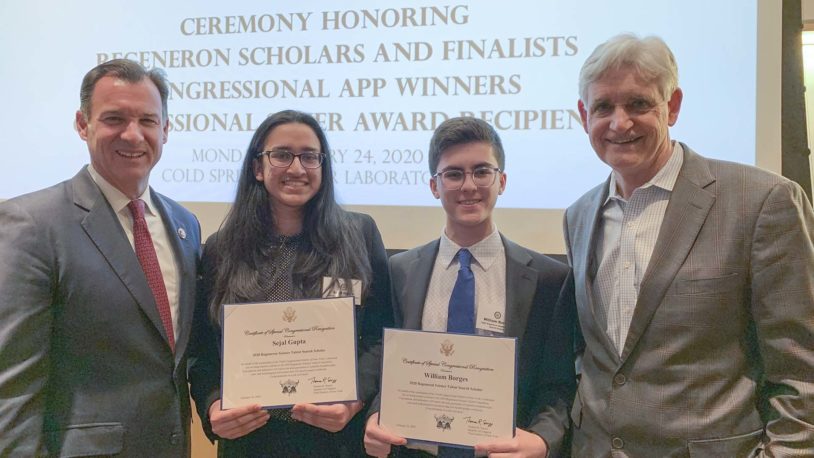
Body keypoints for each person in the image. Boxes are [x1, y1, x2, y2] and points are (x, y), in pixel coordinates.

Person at [565, 33, 814, 456]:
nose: (619, 123)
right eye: (604, 106)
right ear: (584, 114)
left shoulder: (762, 201)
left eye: (639, 104)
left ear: (673, 106)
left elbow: (802, 370)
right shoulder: (580, 215)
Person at [0, 59, 201, 456]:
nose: (133, 134)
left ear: (166, 129)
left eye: (147, 120)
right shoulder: (32, 224)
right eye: (114, 118)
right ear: (82, 124)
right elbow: (12, 389)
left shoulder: (185, 224)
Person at [364, 117, 576, 458]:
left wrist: (542, 440)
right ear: (435, 186)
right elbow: (388, 365)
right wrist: (377, 413)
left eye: (481, 171)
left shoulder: (549, 279)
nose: (468, 185)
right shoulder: (400, 270)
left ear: (501, 181)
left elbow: (558, 387)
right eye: (453, 174)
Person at [188, 110, 392, 457]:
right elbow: (202, 349)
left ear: (322, 167)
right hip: (251, 443)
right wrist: (212, 404)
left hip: (336, 440)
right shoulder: (222, 247)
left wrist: (353, 400)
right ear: (258, 167)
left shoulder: (359, 234)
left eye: (310, 156)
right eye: (282, 155)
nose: (297, 168)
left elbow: (381, 335)